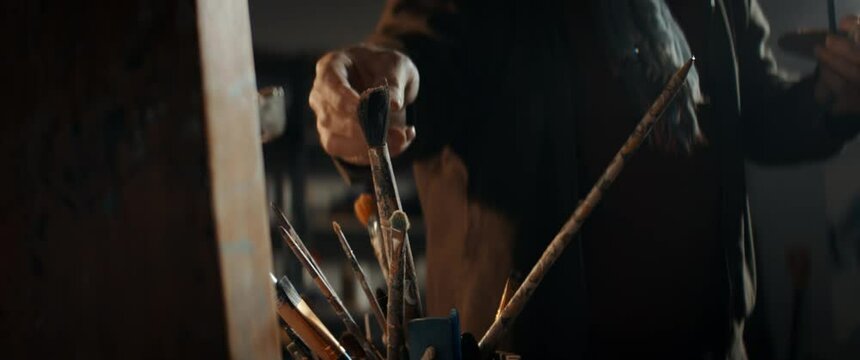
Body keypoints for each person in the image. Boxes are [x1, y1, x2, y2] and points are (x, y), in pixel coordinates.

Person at [309, 0, 860, 358]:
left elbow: (754, 113)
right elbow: (417, 60)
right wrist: (369, 99)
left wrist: (830, 98)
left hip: (708, 340)